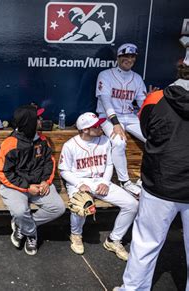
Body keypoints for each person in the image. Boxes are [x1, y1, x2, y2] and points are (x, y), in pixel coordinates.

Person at [115, 61, 189, 290]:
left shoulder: (155, 98)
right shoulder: (154, 98)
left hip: (160, 182)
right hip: (166, 183)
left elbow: (147, 131)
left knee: (146, 243)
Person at [59, 112, 138, 261]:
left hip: (101, 181)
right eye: (95, 126)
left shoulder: (105, 141)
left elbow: (109, 164)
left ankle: (113, 240)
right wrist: (79, 184)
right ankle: (76, 234)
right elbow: (64, 170)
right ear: (85, 130)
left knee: (132, 205)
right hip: (79, 181)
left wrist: (105, 182)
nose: (100, 127)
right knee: (81, 204)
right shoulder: (70, 145)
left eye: (99, 124)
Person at [0, 104, 65, 256]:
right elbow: (4, 173)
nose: (41, 120)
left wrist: (46, 181)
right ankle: (31, 233)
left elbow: (49, 162)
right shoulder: (10, 144)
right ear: (29, 123)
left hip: (40, 184)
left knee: (58, 208)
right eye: (37, 118)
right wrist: (27, 187)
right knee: (20, 211)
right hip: (15, 186)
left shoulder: (42, 140)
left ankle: (22, 227)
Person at [95, 43, 151, 197]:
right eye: (125, 56)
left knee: (153, 139)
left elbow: (142, 104)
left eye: (132, 56)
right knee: (119, 142)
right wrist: (116, 124)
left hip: (129, 116)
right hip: (107, 117)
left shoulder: (137, 78)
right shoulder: (105, 75)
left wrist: (150, 101)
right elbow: (105, 101)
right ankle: (125, 181)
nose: (129, 59)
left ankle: (144, 178)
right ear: (118, 57)